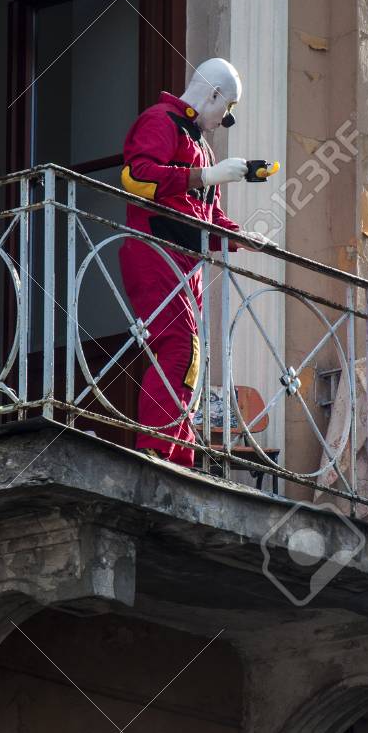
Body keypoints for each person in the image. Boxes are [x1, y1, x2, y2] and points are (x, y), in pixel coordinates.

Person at [118, 58, 247, 467]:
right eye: (227, 107)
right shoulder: (161, 120)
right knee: (179, 344)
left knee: (192, 353)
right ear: (213, 94)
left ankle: (180, 452)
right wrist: (204, 177)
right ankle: (157, 445)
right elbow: (136, 178)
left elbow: (208, 216)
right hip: (155, 248)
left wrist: (243, 237)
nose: (226, 118)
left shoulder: (203, 147)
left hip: (185, 260)